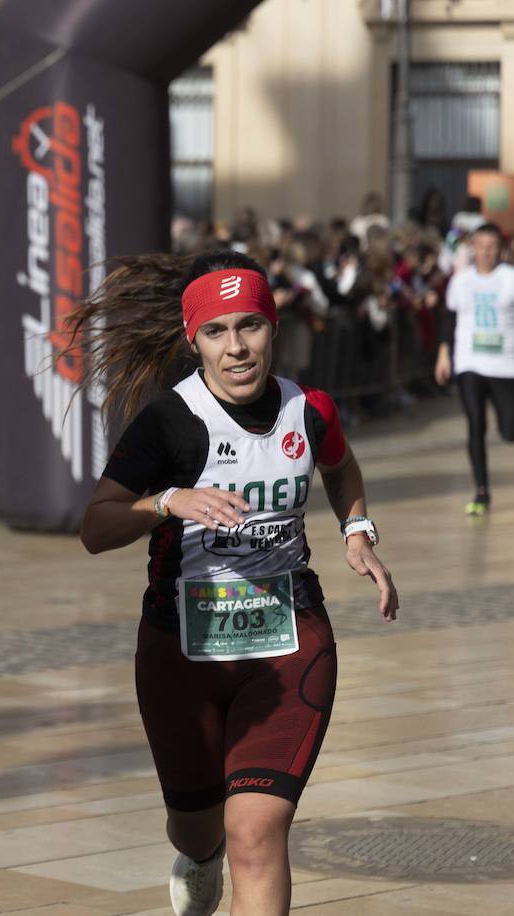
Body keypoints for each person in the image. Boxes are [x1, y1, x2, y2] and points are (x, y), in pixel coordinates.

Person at [73, 250, 398, 915]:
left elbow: (340, 470)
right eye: (217, 332)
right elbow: (95, 527)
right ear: (193, 341)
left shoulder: (311, 409)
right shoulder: (170, 421)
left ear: (274, 327)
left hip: (289, 641)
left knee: (255, 829)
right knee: (198, 828)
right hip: (180, 653)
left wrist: (357, 531)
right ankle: (198, 855)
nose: (237, 347)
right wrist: (167, 502)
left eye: (249, 325)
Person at [435, 222, 514, 515]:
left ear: (501, 250)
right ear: (473, 249)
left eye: (492, 247)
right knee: (475, 422)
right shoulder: (461, 280)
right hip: (470, 363)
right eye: (481, 247)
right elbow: (450, 320)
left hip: (505, 365)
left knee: (509, 430)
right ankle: (481, 491)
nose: (486, 253)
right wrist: (444, 355)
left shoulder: (510, 278)